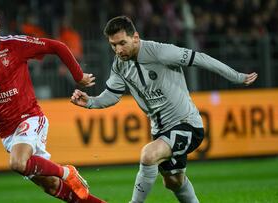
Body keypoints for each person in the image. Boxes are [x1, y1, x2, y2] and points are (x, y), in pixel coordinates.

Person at [70, 16, 258, 203]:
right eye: (113, 45)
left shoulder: (161, 52)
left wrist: (237, 77)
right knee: (174, 182)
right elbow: (112, 95)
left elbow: (200, 58)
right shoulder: (120, 64)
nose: (118, 50)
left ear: (135, 37)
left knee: (149, 155)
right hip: (160, 131)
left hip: (187, 124)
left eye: (122, 43)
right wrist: (90, 102)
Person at [0, 7, 106, 203]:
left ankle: (67, 171)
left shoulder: (15, 44)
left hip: (29, 118)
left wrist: (78, 76)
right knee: (51, 185)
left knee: (17, 163)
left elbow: (58, 46)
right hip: (6, 133)